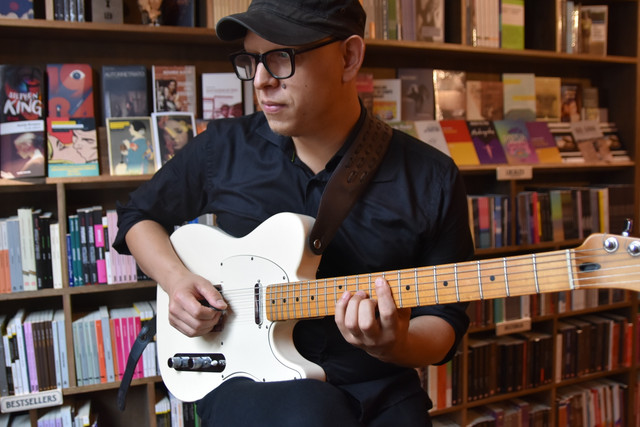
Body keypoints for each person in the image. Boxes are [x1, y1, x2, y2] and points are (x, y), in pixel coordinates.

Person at [113, 1, 473, 425]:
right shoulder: (223, 148)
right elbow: (137, 217)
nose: (261, 80)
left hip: (379, 386)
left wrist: (395, 345)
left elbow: (445, 320)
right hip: (246, 378)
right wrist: (176, 282)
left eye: (281, 57)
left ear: (349, 57)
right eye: (252, 60)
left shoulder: (432, 177)